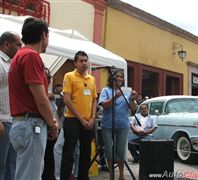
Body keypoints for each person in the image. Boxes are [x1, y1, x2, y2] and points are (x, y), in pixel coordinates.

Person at [8, 17, 58, 180]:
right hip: (32, 125)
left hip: (22, 123)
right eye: (48, 36)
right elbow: (41, 99)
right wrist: (52, 124)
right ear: (44, 35)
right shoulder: (31, 56)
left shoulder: (19, 56)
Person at [60, 50, 97, 180]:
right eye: (81, 61)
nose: (84, 63)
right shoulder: (69, 76)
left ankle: (83, 177)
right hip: (73, 120)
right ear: (75, 63)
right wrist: (81, 119)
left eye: (86, 60)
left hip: (88, 121)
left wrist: (92, 118)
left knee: (86, 154)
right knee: (68, 153)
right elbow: (67, 100)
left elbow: (94, 99)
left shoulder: (91, 78)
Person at [98, 69, 138, 180]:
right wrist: (115, 96)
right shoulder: (106, 90)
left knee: (121, 150)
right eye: (118, 76)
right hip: (107, 125)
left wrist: (133, 99)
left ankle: (121, 175)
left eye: (121, 77)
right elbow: (104, 105)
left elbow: (134, 109)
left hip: (123, 126)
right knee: (109, 151)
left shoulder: (127, 92)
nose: (120, 78)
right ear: (112, 78)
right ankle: (111, 175)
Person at [0, 31, 21, 180]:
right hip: (3, 120)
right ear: (7, 44)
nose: (20, 48)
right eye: (18, 44)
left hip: (12, 120)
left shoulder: (12, 63)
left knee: (12, 163)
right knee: (1, 163)